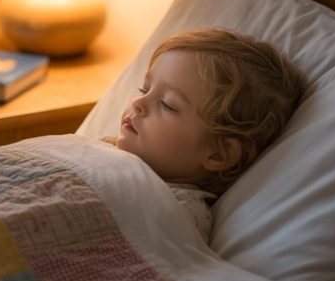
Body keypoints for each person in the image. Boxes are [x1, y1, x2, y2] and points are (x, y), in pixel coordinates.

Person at [103, 28, 303, 240]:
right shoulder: (105, 148)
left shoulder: (177, 213)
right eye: (144, 89)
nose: (138, 102)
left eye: (168, 104)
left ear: (218, 154)